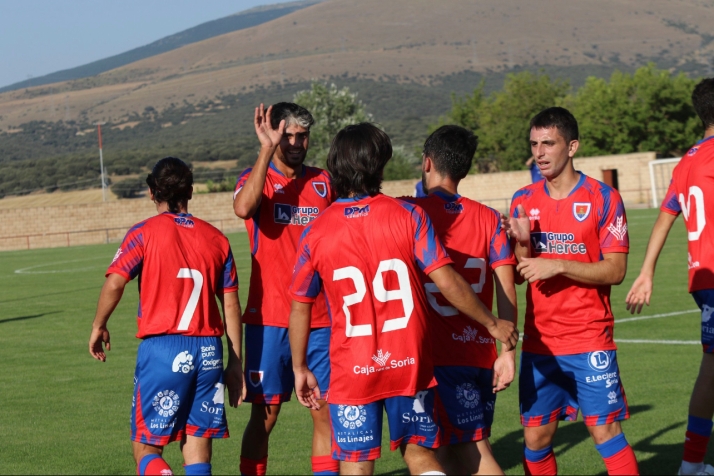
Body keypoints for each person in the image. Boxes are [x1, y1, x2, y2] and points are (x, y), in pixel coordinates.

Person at [288, 123, 519, 476]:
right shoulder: (409, 215)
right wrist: (492, 323)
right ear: (381, 166)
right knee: (421, 456)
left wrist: (300, 367)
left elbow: (300, 306)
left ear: (334, 166)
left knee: (356, 464)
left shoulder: (315, 231)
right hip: (408, 363)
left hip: (353, 367)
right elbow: (448, 281)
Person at [502, 107, 639, 475]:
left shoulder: (603, 198)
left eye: (549, 143)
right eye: (534, 144)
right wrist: (522, 245)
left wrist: (559, 263)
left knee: (605, 431)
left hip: (589, 338)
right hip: (540, 343)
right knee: (535, 441)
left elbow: (617, 270)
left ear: (572, 146)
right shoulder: (522, 200)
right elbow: (517, 275)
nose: (540, 153)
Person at [89, 157, 245, 476]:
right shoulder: (217, 239)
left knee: (146, 446)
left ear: (151, 192)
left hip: (165, 349)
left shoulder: (144, 233)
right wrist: (235, 362)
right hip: (209, 351)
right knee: (198, 436)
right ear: (190, 191)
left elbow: (115, 282)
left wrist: (98, 325)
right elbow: (230, 305)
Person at [404, 125, 518, 475]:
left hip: (439, 359)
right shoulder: (488, 218)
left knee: (466, 451)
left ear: (427, 163)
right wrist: (508, 352)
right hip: (481, 354)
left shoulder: (408, 213)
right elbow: (506, 285)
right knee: (450, 454)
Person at [233, 103, 336, 476]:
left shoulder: (326, 181)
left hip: (321, 317)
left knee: (324, 410)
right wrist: (265, 149)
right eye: (286, 135)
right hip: (270, 318)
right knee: (266, 414)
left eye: (301, 136)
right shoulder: (254, 177)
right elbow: (244, 209)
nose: (294, 143)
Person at [626, 78, 714, 476]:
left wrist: (646, 272)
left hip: (702, 278)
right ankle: (691, 464)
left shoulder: (687, 162)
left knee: (712, 369)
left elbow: (665, 219)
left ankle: (692, 464)